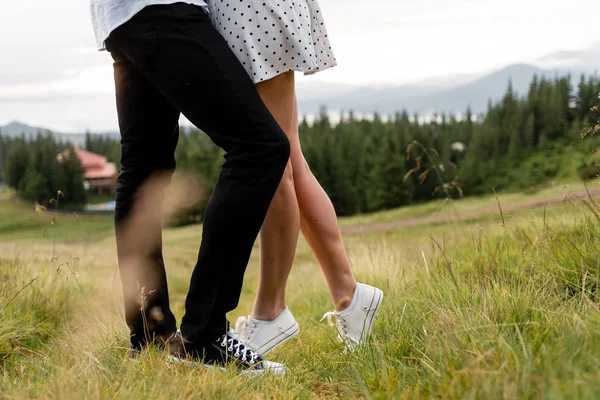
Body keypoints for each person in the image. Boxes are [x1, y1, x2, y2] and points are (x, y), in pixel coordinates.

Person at [90, 0, 292, 374]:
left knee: (143, 174)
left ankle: (151, 337)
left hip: (119, 18)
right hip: (164, 10)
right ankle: (203, 336)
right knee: (261, 148)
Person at [205, 0, 384, 354]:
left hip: (249, 10)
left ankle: (271, 312)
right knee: (287, 155)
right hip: (254, 10)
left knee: (272, 161)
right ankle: (349, 295)